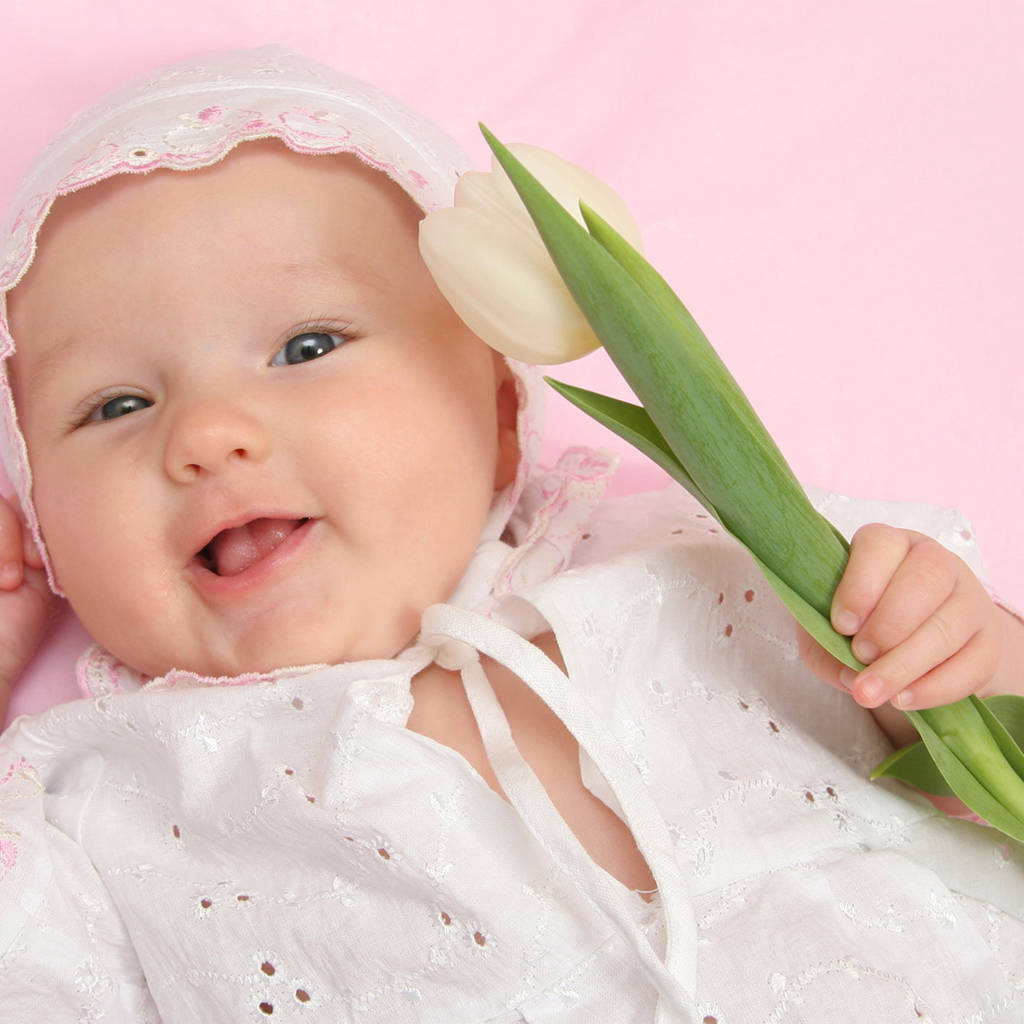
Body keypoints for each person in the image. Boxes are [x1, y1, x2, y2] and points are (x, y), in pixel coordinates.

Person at [0, 46, 1021, 1023]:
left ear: (496, 411)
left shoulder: (701, 563)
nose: (207, 434)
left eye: (306, 345)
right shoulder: (102, 801)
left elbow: (982, 755)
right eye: (114, 405)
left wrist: (955, 648)